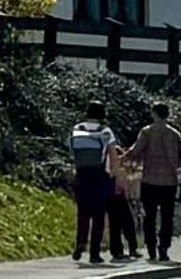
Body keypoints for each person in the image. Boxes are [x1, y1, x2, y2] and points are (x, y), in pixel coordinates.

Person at [134, 101, 181, 262]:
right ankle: (164, 248)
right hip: (169, 182)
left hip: (149, 180)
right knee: (167, 217)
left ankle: (151, 247)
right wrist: (177, 168)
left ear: (154, 113)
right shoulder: (175, 134)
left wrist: (122, 158)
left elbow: (136, 151)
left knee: (149, 216)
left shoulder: (146, 132)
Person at [70, 101, 117, 264]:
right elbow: (113, 157)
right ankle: (94, 253)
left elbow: (72, 152)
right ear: (103, 115)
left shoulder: (76, 129)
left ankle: (80, 243)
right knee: (98, 215)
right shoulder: (105, 132)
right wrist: (115, 177)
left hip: (81, 175)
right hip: (98, 176)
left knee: (83, 213)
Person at [106, 135, 141, 262]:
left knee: (126, 223)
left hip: (119, 196)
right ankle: (119, 250)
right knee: (120, 223)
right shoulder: (110, 162)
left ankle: (128, 249)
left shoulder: (118, 165)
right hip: (113, 196)